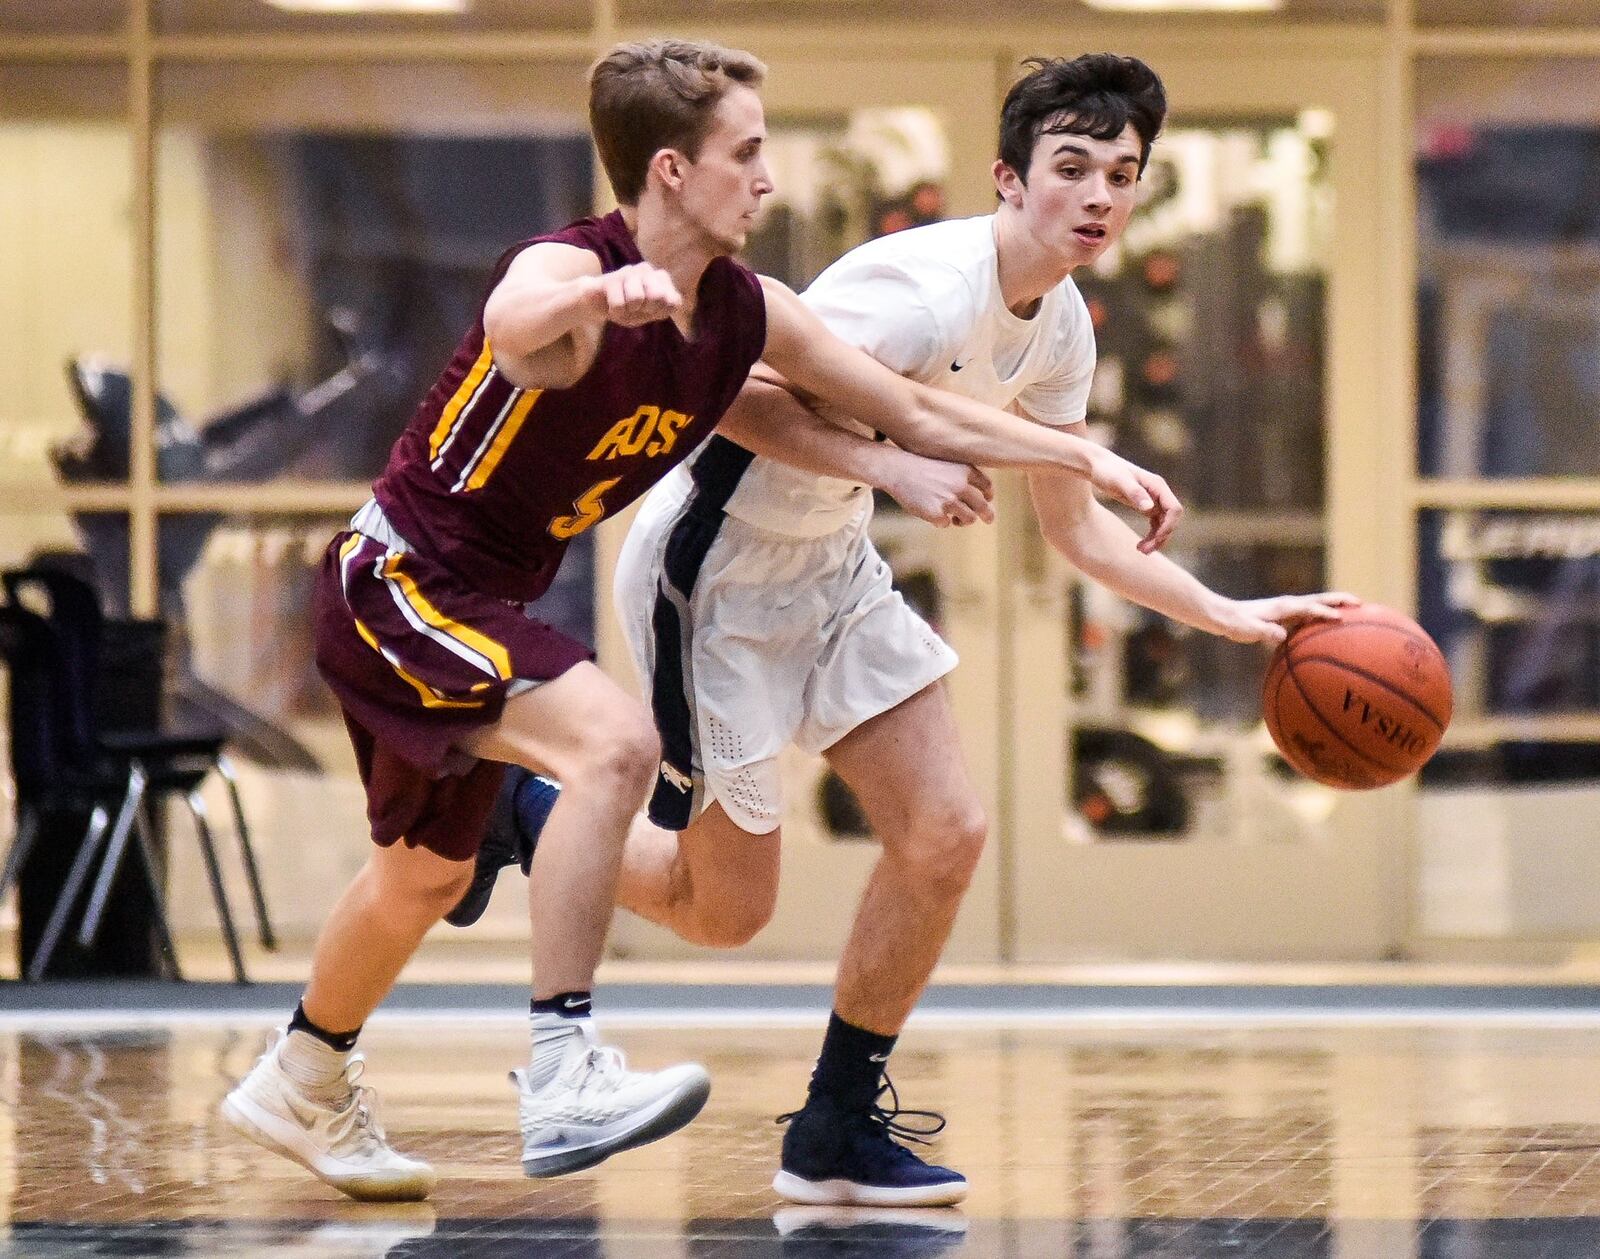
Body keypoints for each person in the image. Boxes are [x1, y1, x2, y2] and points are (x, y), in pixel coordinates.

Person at [219, 38, 1183, 1204]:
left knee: (418, 879)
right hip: (401, 583)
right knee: (614, 745)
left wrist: (1083, 455)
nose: (767, 177)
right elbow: (516, 314)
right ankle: (564, 1064)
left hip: (482, 601)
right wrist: (595, 293)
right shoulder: (569, 266)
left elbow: (915, 411)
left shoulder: (746, 310)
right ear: (672, 170)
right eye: (747, 151)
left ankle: (301, 1070)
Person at [463, 52, 1357, 1209]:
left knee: (946, 830)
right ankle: (521, 810)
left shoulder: (1064, 326)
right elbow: (726, 394)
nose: (1096, 195)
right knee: (726, 910)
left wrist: (1231, 617)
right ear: (1007, 177)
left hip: (832, 563)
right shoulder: (917, 288)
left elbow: (1076, 533)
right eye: (1070, 168)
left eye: (1120, 175)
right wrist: (894, 463)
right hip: (715, 569)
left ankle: (834, 1123)